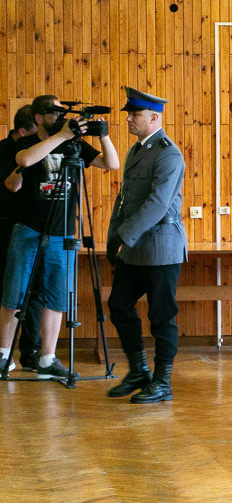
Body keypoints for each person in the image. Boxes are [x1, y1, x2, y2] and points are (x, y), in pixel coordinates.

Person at [0, 94, 119, 378]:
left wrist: (102, 136)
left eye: (61, 113)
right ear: (39, 118)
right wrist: (63, 135)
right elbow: (26, 160)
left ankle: (47, 359)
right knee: (13, 295)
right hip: (28, 228)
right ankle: (3, 355)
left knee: (55, 297)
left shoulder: (73, 144)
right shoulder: (29, 143)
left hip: (62, 232)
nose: (59, 118)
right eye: (53, 113)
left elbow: (111, 164)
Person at [106, 87, 187, 404]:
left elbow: (156, 204)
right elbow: (124, 199)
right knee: (119, 305)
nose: (128, 118)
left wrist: (125, 235)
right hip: (136, 246)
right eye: (129, 113)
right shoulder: (136, 151)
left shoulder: (169, 153)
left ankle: (162, 382)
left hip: (161, 248)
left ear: (154, 118)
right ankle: (139, 371)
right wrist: (115, 235)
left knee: (161, 317)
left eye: (134, 114)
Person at [0, 105, 40, 371]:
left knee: (34, 293)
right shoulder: (6, 152)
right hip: (5, 228)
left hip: (28, 228)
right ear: (23, 131)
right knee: (9, 294)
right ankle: (5, 354)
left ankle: (31, 352)